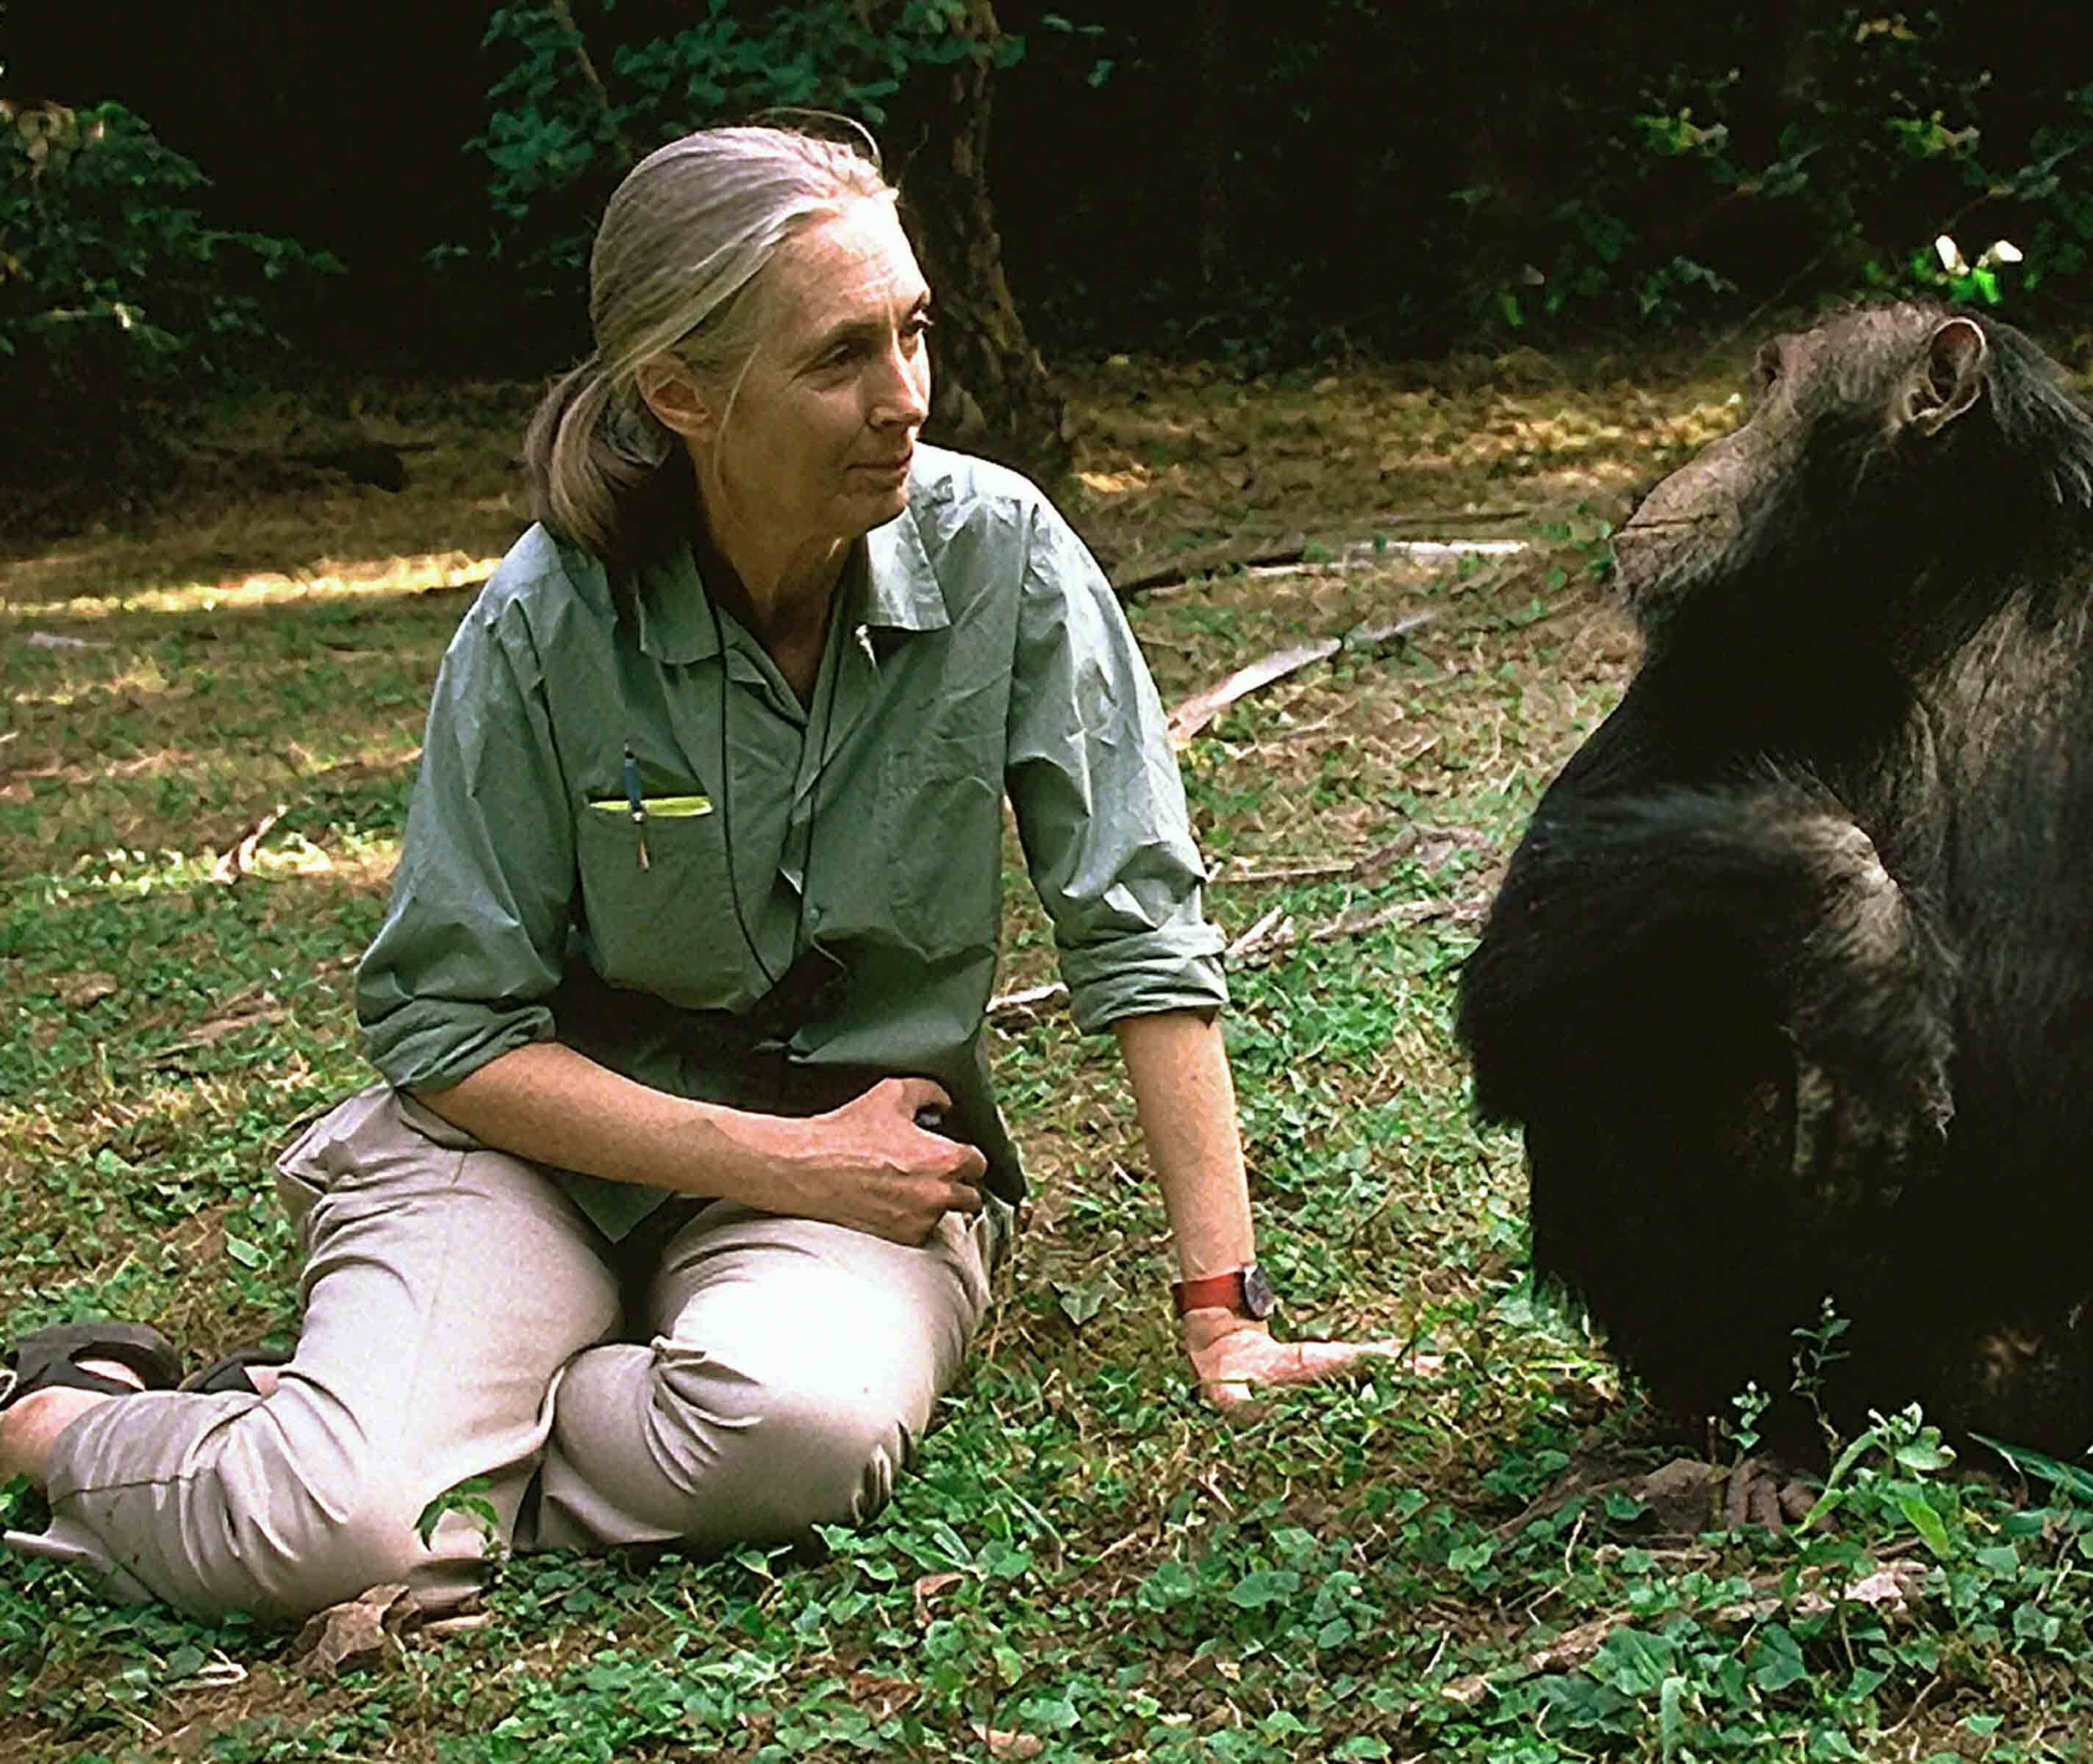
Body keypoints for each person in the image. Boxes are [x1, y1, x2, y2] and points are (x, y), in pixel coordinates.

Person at [0, 124, 1398, 1623]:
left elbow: (1141, 929)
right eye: (839, 356)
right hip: (538, 1161)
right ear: (682, 395)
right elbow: (449, 1030)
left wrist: (1223, 1312)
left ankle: (402, 1433)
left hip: (853, 1179)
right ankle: (66, 1418)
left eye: (913, 331)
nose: (906, 399)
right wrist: (791, 1160)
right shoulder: (545, 625)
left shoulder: (1003, 558)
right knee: (332, 1534)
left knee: (793, 1436)